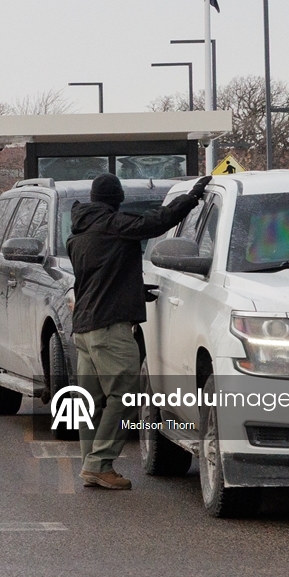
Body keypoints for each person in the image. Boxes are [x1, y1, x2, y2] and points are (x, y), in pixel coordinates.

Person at [66, 173, 210, 489]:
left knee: (93, 401)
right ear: (117, 199)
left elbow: (98, 279)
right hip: (109, 329)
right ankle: (99, 464)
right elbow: (158, 222)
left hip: (84, 329)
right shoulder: (114, 225)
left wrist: (135, 291)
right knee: (124, 394)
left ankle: (91, 463)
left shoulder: (78, 234)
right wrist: (191, 197)